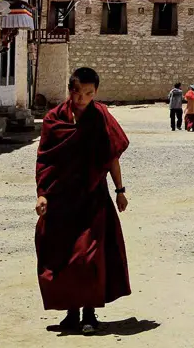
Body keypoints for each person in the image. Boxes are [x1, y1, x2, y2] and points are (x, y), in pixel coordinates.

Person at [35, 67, 130, 335]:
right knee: (63, 254)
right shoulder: (54, 119)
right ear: (70, 90)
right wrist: (42, 193)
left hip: (92, 196)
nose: (82, 99)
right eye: (78, 92)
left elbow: (112, 157)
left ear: (95, 92)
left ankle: (89, 312)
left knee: (90, 255)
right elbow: (45, 159)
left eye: (89, 93)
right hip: (61, 198)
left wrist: (119, 190)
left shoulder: (101, 117)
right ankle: (71, 312)